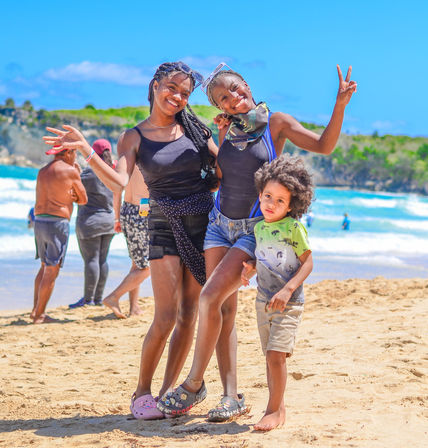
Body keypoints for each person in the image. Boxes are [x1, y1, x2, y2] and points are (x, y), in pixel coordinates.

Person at [157, 63, 356, 420]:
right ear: (220, 108)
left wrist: (339, 104)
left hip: (252, 230)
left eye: (235, 89)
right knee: (224, 309)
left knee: (209, 297)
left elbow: (324, 146)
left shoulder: (276, 123)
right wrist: (217, 141)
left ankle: (193, 384)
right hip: (218, 225)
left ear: (245, 84)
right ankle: (231, 396)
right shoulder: (228, 131)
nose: (233, 99)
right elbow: (223, 176)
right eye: (223, 99)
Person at [43, 61, 218, 419]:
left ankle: (171, 395)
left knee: (189, 315)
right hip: (163, 223)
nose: (178, 97)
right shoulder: (133, 137)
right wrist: (88, 151)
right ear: (155, 85)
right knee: (166, 315)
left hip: (203, 224)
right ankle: (142, 393)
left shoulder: (196, 129)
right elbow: (120, 182)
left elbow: (224, 167)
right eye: (172, 87)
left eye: (185, 93)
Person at [240, 154, 313, 431]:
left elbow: (308, 262)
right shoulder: (259, 228)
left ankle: (272, 411)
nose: (271, 204)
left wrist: (287, 290)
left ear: (292, 204)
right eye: (268, 196)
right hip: (264, 302)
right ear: (260, 194)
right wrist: (251, 268)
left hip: (289, 302)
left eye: (280, 200)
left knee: (275, 356)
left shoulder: (293, 228)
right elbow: (267, 259)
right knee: (271, 359)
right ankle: (279, 409)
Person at [31, 147, 87, 323]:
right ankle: (40, 315)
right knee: (51, 269)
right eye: (75, 154)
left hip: (39, 221)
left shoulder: (42, 171)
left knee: (44, 266)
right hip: (57, 222)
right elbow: (83, 199)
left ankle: (35, 310)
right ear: (69, 153)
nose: (76, 157)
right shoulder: (70, 171)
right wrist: (76, 177)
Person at [69, 139, 116, 308]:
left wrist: (77, 172)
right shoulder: (113, 172)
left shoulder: (88, 175)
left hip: (90, 223)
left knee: (91, 260)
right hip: (109, 222)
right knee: (102, 260)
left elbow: (73, 187)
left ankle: (87, 300)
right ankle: (98, 299)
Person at [102, 166, 150, 319]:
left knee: (137, 263)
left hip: (127, 210)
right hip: (142, 212)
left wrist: (117, 217)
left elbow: (117, 189)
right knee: (147, 267)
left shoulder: (128, 157)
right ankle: (114, 297)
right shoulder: (150, 154)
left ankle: (134, 307)